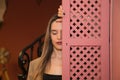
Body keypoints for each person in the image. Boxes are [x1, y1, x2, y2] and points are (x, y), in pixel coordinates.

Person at [27, 6, 64, 80]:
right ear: (49, 36)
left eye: (63, 32)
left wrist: (74, 17)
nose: (59, 37)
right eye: (54, 33)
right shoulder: (35, 65)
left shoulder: (79, 64)